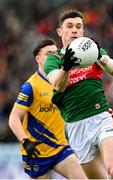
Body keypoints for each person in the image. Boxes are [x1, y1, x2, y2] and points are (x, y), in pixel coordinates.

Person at [44, 10, 113, 179]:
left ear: (83, 31)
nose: (75, 30)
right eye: (70, 26)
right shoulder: (54, 59)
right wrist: (65, 67)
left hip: (101, 117)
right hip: (75, 126)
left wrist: (100, 57)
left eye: (79, 27)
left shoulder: (92, 50)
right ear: (60, 32)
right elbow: (57, 85)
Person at [8, 39, 87, 179]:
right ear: (38, 59)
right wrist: (25, 141)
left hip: (61, 148)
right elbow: (13, 119)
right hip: (37, 152)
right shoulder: (30, 86)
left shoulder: (62, 81)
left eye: (55, 53)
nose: (53, 56)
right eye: (48, 53)